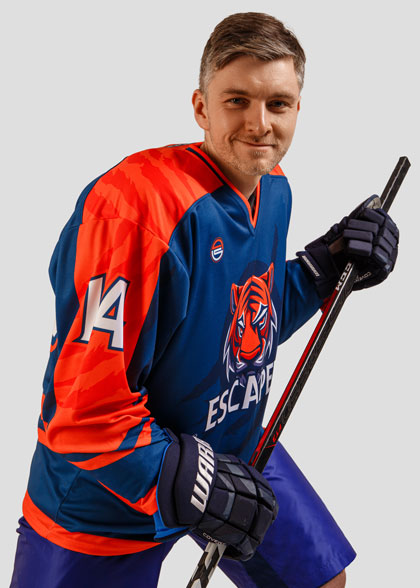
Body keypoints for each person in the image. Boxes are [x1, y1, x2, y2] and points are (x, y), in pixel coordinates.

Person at [10, 12, 399, 588]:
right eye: (237, 101)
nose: (259, 124)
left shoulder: (275, 189)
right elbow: (83, 411)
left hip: (228, 446)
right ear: (201, 107)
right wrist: (186, 478)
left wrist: (323, 271)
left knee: (322, 581)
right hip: (106, 497)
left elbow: (238, 330)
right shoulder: (132, 211)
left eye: (277, 104)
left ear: (298, 109)